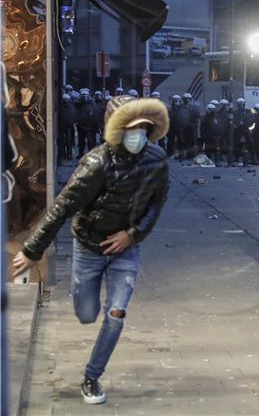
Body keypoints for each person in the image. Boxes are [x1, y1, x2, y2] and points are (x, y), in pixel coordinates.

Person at [11, 95, 170, 404]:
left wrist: (132, 234)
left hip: (126, 249)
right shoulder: (96, 163)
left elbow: (156, 204)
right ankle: (86, 303)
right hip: (89, 247)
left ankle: (91, 376)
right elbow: (62, 207)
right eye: (131, 128)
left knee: (116, 313)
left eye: (144, 128)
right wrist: (32, 250)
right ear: (116, 129)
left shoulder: (157, 160)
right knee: (86, 313)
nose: (138, 134)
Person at [76, 90, 98, 157]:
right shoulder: (78, 104)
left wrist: (95, 124)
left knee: (91, 142)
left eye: (86, 96)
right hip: (81, 125)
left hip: (91, 126)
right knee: (81, 142)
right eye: (83, 96)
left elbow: (96, 113)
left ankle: (91, 154)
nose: (85, 97)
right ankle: (80, 154)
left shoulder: (93, 103)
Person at [58, 93, 78, 164]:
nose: (66, 101)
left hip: (67, 126)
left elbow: (74, 115)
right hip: (65, 126)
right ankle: (66, 154)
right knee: (65, 141)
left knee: (67, 141)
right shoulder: (68, 107)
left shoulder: (69, 107)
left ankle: (67, 154)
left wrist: (72, 122)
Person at [231, 98, 251, 166]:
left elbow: (250, 119)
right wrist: (238, 124)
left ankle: (249, 158)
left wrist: (246, 124)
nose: (241, 106)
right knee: (237, 144)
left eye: (242, 104)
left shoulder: (247, 112)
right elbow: (234, 120)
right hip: (238, 130)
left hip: (245, 129)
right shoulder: (235, 112)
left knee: (249, 143)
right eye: (240, 104)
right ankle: (236, 157)